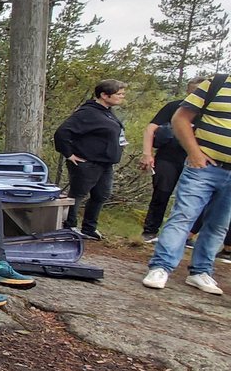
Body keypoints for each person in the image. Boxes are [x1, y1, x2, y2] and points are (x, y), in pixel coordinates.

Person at [142, 74, 231, 295]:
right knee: (184, 216)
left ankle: (201, 271)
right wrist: (194, 153)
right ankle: (160, 267)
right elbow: (180, 119)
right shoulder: (217, 84)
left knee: (219, 224)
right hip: (204, 167)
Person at [53, 80, 128, 240]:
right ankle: (69, 227)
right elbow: (62, 132)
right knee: (78, 194)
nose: (122, 96)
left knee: (101, 195)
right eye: (119, 94)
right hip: (87, 162)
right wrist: (69, 154)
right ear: (104, 95)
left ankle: (89, 228)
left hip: (105, 163)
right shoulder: (88, 113)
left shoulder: (107, 112)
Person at [140, 79, 204, 242]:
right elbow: (150, 129)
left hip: (196, 161)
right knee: (161, 193)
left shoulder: (210, 112)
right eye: (194, 91)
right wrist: (147, 153)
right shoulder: (174, 107)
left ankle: (185, 236)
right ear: (188, 91)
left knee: (193, 199)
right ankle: (150, 231)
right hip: (168, 157)